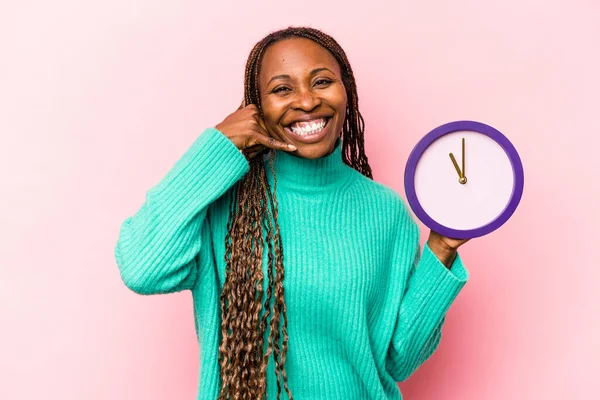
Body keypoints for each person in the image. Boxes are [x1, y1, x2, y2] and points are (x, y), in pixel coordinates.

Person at [114, 26, 470, 400]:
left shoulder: (385, 211)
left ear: (346, 90)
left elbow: (398, 359)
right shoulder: (219, 202)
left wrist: (442, 250)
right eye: (282, 89)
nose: (306, 101)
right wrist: (217, 146)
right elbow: (141, 268)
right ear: (256, 107)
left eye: (322, 81)